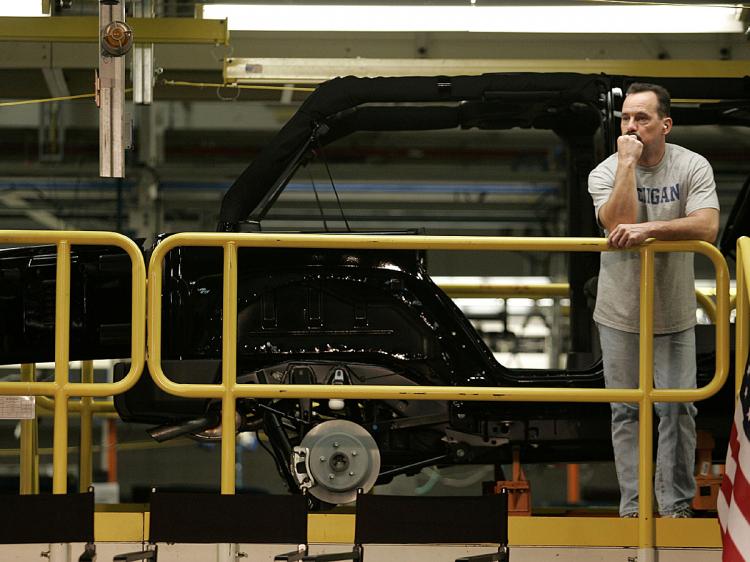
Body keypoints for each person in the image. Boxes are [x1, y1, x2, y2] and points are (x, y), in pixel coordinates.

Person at [587, 82, 720, 518]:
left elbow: (706, 227)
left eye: (641, 118)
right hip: (619, 314)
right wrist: (628, 163)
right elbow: (618, 224)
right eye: (625, 118)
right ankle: (634, 509)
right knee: (626, 412)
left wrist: (650, 231)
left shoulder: (692, 165)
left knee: (678, 411)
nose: (631, 126)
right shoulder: (606, 171)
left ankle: (675, 506)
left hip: (674, 313)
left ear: (665, 124)